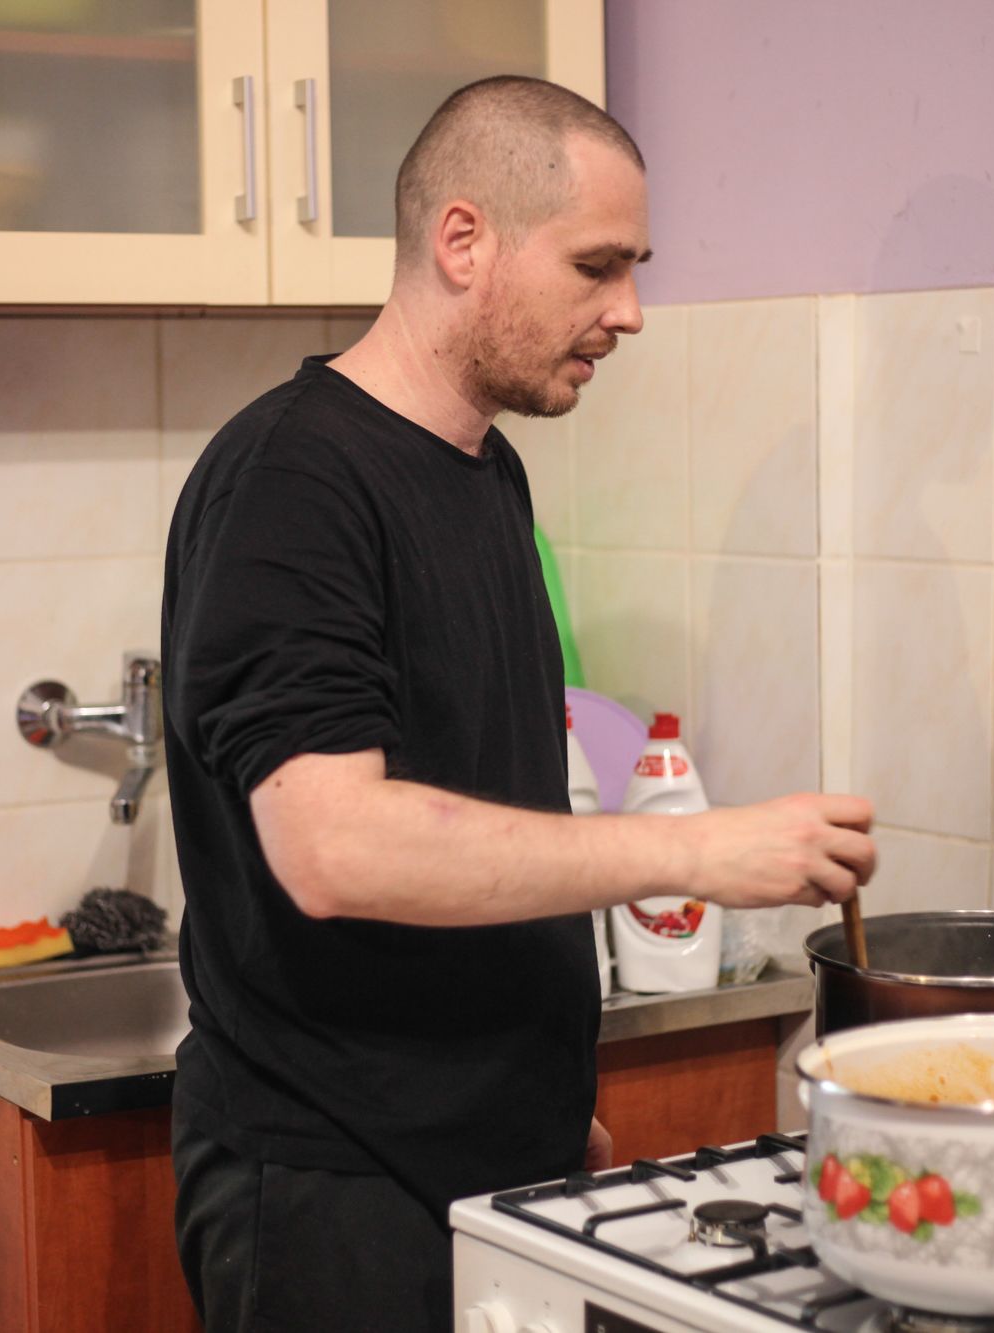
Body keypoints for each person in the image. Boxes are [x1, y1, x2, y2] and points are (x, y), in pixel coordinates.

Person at [162, 75, 877, 1333]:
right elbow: (333, 848)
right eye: (596, 267)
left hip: (490, 1152)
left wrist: (536, 1101)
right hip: (333, 1186)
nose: (630, 311)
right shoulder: (294, 482)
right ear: (462, 240)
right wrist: (694, 851)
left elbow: (483, 797)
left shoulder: (485, 474)